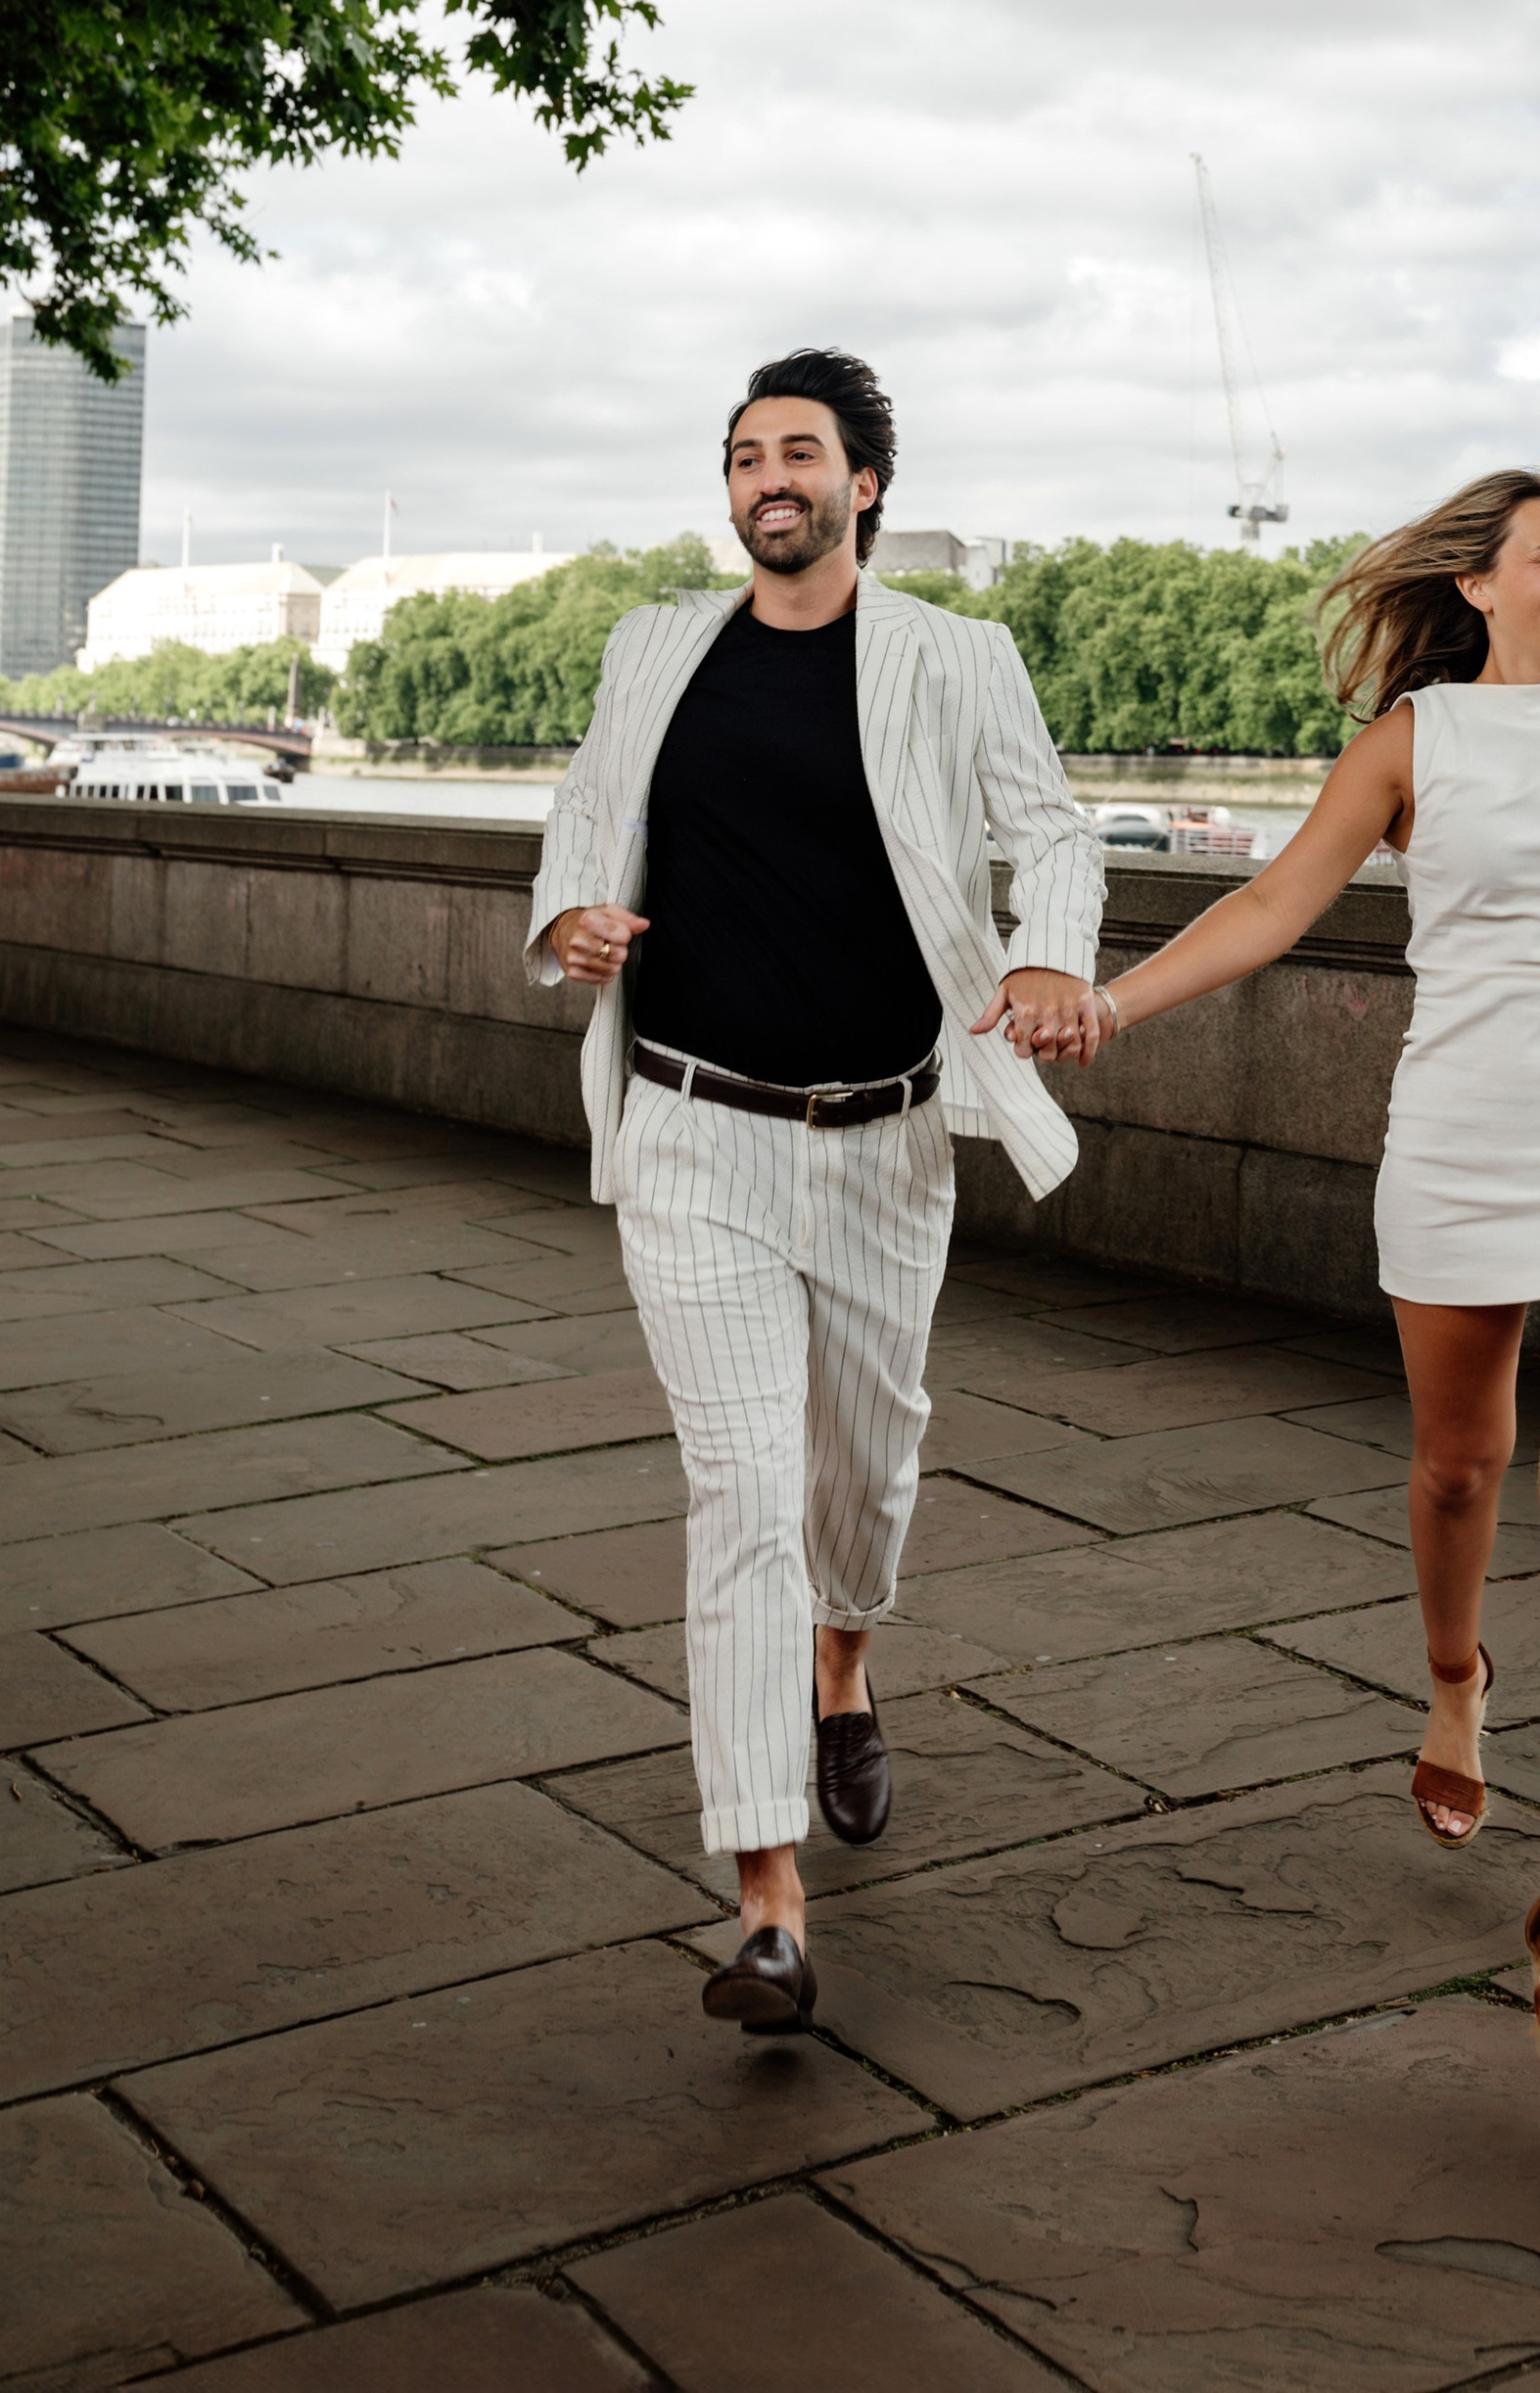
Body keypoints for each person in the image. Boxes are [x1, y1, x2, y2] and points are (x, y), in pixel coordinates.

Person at [1031, 471, 1540, 2077]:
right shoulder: (1410, 745)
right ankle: (1456, 1683)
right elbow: (1270, 903)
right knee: (1463, 1466)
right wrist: (1116, 1004)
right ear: (1478, 583)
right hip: (1461, 1137)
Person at [526, 350, 1102, 2033]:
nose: (769, 477)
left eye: (802, 452)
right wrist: (571, 917)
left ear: (865, 486)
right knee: (744, 1496)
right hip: (691, 1131)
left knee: (864, 1472)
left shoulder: (955, 655)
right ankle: (765, 1892)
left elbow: (1051, 834)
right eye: (743, 455)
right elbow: (583, 816)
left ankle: (845, 1674)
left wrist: (1055, 956)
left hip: (886, 1143)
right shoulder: (655, 645)